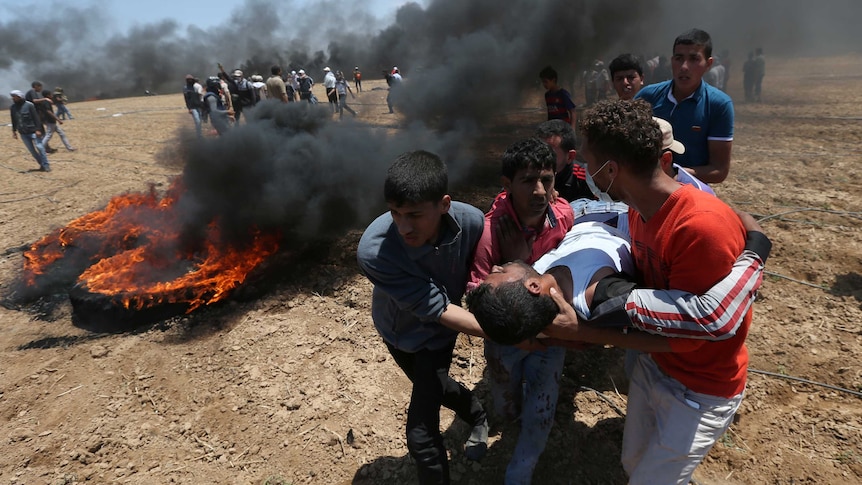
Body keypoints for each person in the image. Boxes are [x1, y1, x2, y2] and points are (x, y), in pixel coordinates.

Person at [566, 99, 756, 484]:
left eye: (588, 163)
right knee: (634, 465)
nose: (584, 172)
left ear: (612, 170)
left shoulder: (699, 228)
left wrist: (579, 330)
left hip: (701, 388)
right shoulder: (639, 208)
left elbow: (690, 339)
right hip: (656, 368)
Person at [356, 151, 489, 484]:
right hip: (394, 331)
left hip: (437, 337)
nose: (403, 227)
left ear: (444, 204)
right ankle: (478, 415)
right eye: (395, 213)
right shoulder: (375, 250)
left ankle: (475, 420)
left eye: (414, 215)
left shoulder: (473, 223)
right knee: (435, 386)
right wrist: (501, 333)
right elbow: (435, 305)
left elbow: (482, 276)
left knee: (420, 433)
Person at [467, 137, 573, 484]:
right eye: (528, 181)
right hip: (504, 342)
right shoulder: (489, 232)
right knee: (504, 401)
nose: (540, 190)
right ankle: (509, 418)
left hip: (551, 340)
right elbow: (476, 297)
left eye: (547, 179)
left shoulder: (564, 217)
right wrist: (514, 336)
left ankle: (520, 471)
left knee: (542, 407)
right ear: (507, 185)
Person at [635, 28, 734, 184]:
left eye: (694, 59)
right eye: (679, 58)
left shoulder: (718, 105)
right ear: (672, 60)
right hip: (645, 189)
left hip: (690, 194)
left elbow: (719, 170)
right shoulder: (647, 96)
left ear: (708, 64)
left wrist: (676, 176)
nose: (684, 67)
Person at [534, 119, 593, 202]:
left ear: (570, 157)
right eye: (537, 151)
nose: (541, 159)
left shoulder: (588, 180)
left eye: (550, 154)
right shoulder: (527, 175)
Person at [9, 90, 51, 172]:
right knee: (32, 151)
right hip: (23, 133)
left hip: (33, 131)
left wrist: (38, 130)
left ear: (20, 96)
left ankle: (46, 165)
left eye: (15, 97)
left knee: (40, 147)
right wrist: (14, 131)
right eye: (12, 97)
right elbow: (14, 120)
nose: (13, 98)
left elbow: (36, 118)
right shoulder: (13, 108)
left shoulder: (29, 105)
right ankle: (41, 164)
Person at [183, 74, 204, 139]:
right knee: (197, 121)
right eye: (188, 79)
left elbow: (200, 96)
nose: (190, 80)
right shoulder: (185, 88)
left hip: (198, 106)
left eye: (191, 79)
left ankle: (199, 133)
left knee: (200, 121)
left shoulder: (196, 86)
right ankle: (199, 136)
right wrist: (189, 108)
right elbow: (186, 99)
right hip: (193, 107)